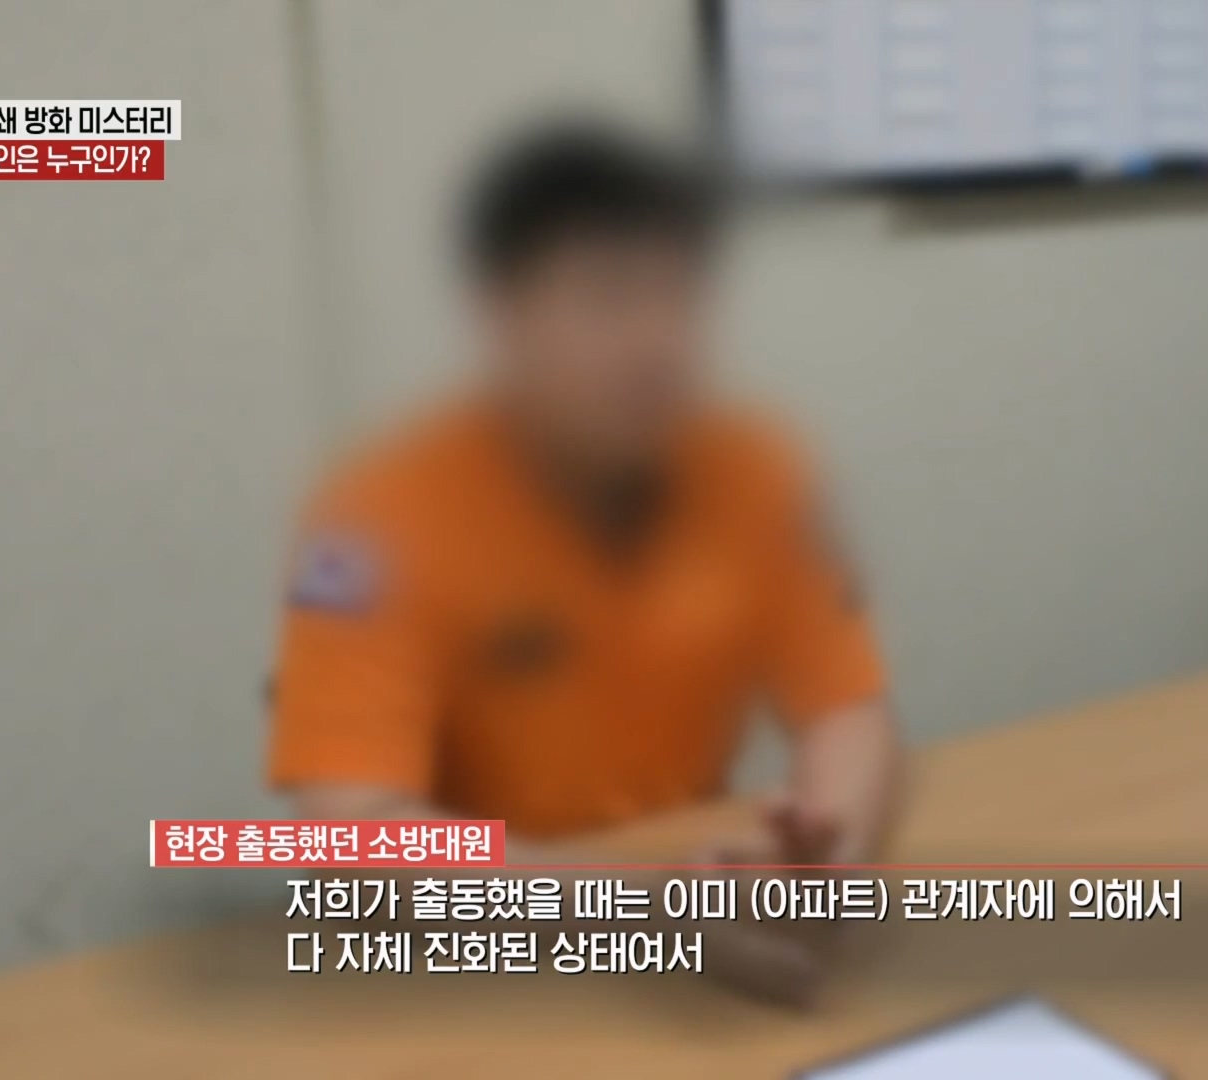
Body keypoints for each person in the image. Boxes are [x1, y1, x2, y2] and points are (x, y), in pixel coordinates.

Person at [265, 121, 901, 896]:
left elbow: (847, 709)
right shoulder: (371, 516)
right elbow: (350, 828)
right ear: (502, 313)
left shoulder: (755, 469)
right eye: (610, 298)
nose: (656, 342)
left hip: (693, 890)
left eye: (678, 297)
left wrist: (823, 856)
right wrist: (627, 909)